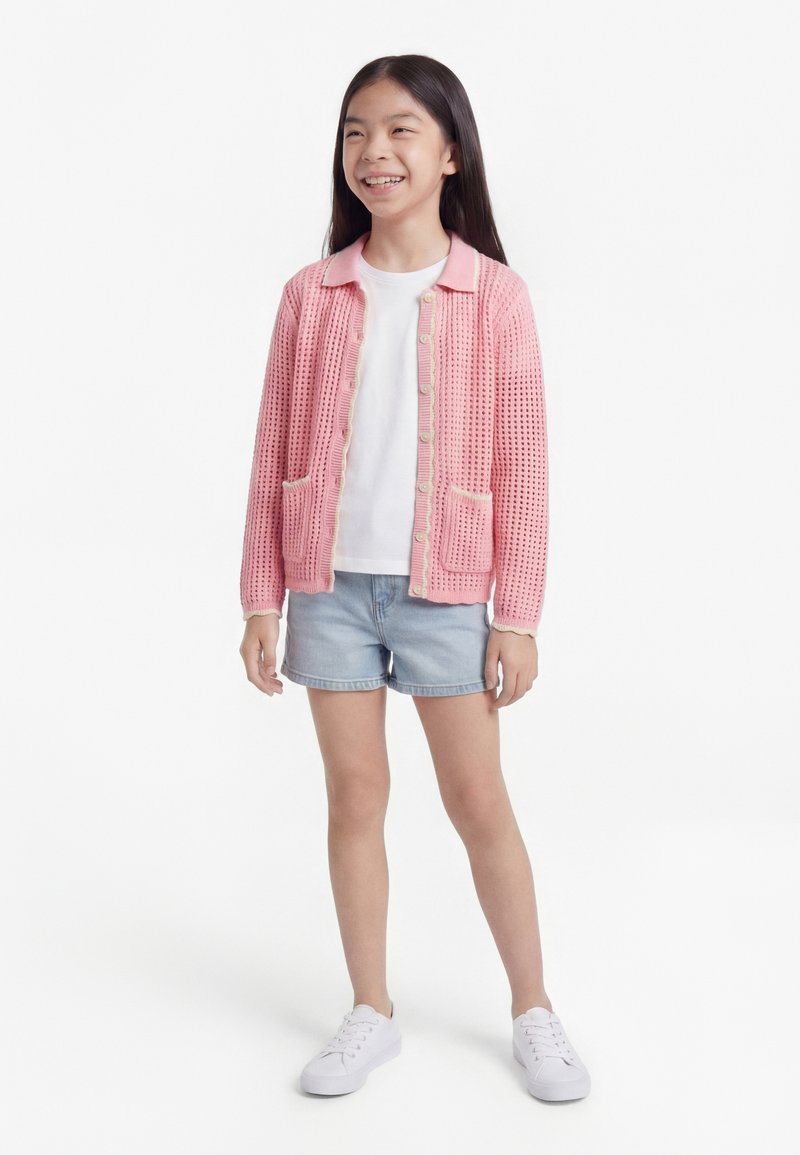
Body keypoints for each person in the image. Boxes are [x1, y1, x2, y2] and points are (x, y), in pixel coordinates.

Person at [238, 54, 590, 1102]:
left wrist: (516, 614)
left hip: (448, 593)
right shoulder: (310, 295)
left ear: (449, 154)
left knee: (478, 801)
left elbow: (522, 465)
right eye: (355, 131)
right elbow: (271, 451)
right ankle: (370, 1010)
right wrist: (260, 595)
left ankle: (533, 1009)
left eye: (399, 130)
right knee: (354, 798)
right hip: (329, 588)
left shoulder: (495, 296)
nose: (373, 151)